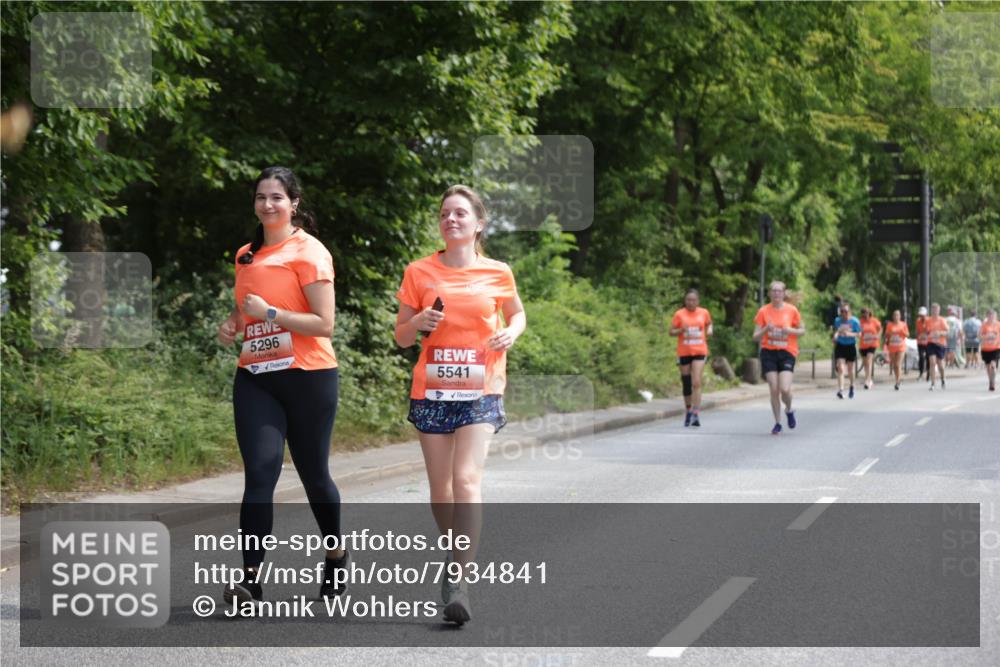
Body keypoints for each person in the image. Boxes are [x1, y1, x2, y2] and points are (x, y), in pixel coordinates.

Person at [395, 184, 525, 625]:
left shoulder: (498, 271)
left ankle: (458, 578)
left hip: (481, 388)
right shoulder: (419, 271)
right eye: (445, 213)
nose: (451, 219)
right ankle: (455, 552)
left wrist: (513, 332)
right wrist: (417, 320)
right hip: (431, 389)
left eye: (461, 214)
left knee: (466, 479)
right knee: (440, 490)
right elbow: (401, 337)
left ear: (478, 224)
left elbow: (517, 313)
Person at [215, 166, 346, 606]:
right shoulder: (245, 255)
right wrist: (235, 323)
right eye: (260, 197)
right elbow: (244, 311)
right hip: (257, 377)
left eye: (276, 197)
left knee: (314, 477)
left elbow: (323, 324)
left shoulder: (310, 252)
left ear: (294, 204)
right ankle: (250, 581)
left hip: (309, 377)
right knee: (260, 474)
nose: (267, 204)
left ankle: (335, 553)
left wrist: (270, 313)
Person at [752, 281, 805, 435]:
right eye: (773, 291)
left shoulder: (792, 310)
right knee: (774, 389)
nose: (776, 293)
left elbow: (802, 330)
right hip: (769, 352)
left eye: (779, 291)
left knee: (785, 389)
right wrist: (765, 329)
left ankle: (789, 409)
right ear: (769, 293)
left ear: (783, 293)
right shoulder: (763, 311)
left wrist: (789, 330)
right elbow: (755, 337)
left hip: (787, 352)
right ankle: (777, 423)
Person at [669, 289, 713, 427]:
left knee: (697, 382)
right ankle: (688, 410)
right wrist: (681, 330)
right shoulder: (679, 314)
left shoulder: (703, 312)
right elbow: (670, 332)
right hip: (684, 352)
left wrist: (710, 329)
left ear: (698, 301)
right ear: (685, 301)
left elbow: (709, 323)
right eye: (688, 300)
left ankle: (695, 413)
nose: (690, 302)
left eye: (693, 300)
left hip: (699, 350)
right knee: (686, 383)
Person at [832, 302, 861, 399]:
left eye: (845, 311)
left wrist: (850, 334)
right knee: (840, 368)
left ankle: (852, 386)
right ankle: (840, 389)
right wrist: (835, 336)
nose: (843, 313)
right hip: (840, 345)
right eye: (842, 311)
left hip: (850, 346)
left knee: (850, 370)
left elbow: (859, 334)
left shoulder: (854, 321)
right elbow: (836, 331)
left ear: (849, 311)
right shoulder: (837, 320)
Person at [924, 303, 949, 390]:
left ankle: (942, 379)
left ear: (939, 311)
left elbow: (947, 332)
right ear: (931, 311)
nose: (935, 312)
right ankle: (933, 383)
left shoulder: (942, 320)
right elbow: (926, 331)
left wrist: (940, 333)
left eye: (936, 310)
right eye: (933, 310)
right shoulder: (928, 320)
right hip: (931, 343)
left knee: (941, 366)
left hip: (940, 344)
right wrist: (928, 334)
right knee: (932, 362)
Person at [884, 310, 910, 390]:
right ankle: (897, 379)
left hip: (901, 347)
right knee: (894, 365)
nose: (896, 317)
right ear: (893, 317)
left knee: (898, 364)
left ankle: (898, 381)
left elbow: (907, 334)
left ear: (900, 316)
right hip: (892, 346)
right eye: (895, 315)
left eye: (897, 315)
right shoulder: (889, 325)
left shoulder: (903, 324)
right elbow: (886, 334)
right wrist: (889, 334)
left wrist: (902, 332)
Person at [859, 307, 882, 390]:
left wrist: (878, 335)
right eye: (862, 313)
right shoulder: (860, 321)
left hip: (872, 344)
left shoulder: (874, 321)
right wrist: (859, 334)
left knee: (869, 360)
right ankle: (869, 378)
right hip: (863, 344)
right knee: (865, 363)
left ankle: (867, 380)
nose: (864, 315)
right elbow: (858, 331)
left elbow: (880, 329)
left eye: (865, 313)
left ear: (869, 313)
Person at [979, 309, 999, 391]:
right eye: (990, 315)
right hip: (986, 348)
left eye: (993, 315)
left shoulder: (998, 325)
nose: (991, 317)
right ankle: (990, 381)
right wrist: (986, 336)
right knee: (988, 367)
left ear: (995, 316)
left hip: (996, 348)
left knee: (993, 365)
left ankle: (993, 383)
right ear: (987, 316)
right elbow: (979, 335)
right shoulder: (984, 325)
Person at [916, 306, 929, 381]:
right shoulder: (918, 321)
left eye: (923, 315)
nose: (921, 316)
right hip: (920, 342)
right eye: (920, 315)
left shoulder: (929, 320)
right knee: (921, 357)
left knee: (928, 357)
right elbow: (918, 330)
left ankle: (928, 373)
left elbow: (929, 331)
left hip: (928, 342)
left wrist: (923, 334)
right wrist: (918, 335)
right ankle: (921, 373)